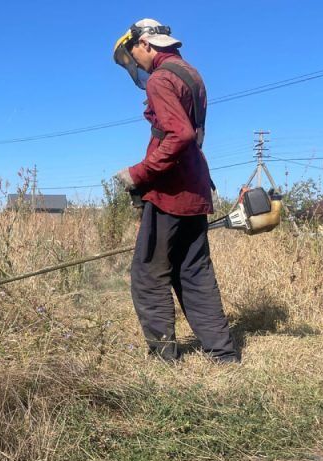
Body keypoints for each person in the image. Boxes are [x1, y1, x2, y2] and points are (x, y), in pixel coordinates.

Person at [112, 19, 239, 363]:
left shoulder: (160, 78)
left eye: (134, 52)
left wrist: (139, 173)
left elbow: (179, 135)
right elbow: (191, 134)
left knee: (148, 274)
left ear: (147, 44)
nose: (135, 61)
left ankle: (164, 359)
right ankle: (223, 355)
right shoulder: (191, 75)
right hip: (195, 186)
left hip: (170, 190)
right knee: (194, 271)